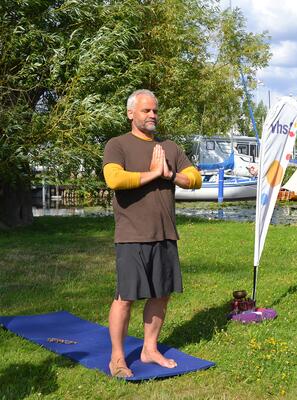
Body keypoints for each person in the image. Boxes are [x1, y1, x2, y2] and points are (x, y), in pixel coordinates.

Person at [102, 89, 201, 378]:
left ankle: (149, 348)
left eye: (155, 110)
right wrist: (154, 173)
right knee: (126, 297)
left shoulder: (170, 147)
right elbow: (114, 179)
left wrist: (169, 174)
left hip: (165, 233)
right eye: (146, 111)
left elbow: (194, 179)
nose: (153, 115)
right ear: (131, 113)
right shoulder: (117, 145)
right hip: (132, 235)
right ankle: (118, 358)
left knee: (161, 294)